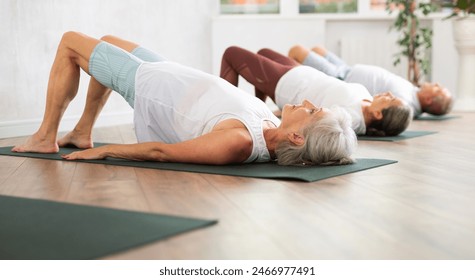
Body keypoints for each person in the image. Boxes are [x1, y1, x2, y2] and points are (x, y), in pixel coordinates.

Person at [12, 31, 357, 166]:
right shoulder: (269, 124)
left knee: (70, 42)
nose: (307, 102)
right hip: (168, 72)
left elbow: (162, 152)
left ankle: (45, 136)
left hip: (150, 86)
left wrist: (105, 151)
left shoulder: (238, 141)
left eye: (312, 111)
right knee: (107, 40)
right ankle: (82, 129)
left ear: (297, 136)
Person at [220, 46, 412, 136]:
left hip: (289, 85)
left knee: (231, 54)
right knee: (263, 52)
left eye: (390, 99)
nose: (389, 94)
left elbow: (320, 126)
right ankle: (260, 108)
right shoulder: (367, 101)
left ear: (378, 114)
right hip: (302, 73)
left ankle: (222, 115)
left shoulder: (351, 118)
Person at [288, 45, 453, 117]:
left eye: (438, 89)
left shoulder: (406, 103)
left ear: (429, 99)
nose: (437, 84)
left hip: (341, 77)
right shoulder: (413, 93)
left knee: (297, 51)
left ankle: (288, 83)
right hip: (348, 69)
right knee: (317, 49)